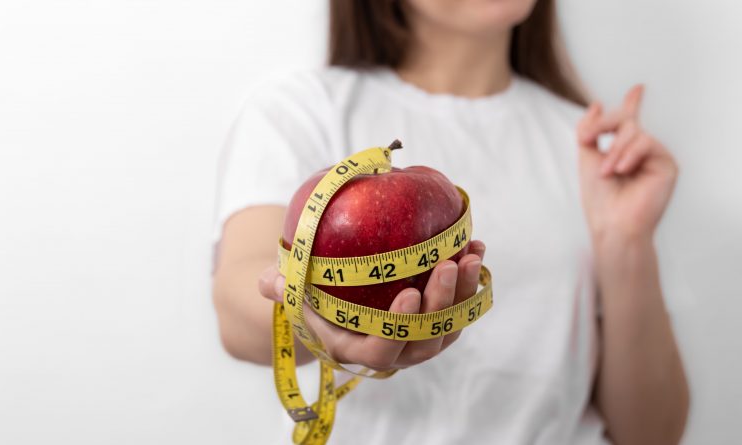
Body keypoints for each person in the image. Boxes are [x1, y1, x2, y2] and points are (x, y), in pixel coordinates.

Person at [211, 0, 690, 443]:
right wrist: (318, 325)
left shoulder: (594, 151)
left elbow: (652, 434)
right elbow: (239, 311)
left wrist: (627, 240)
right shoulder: (304, 110)